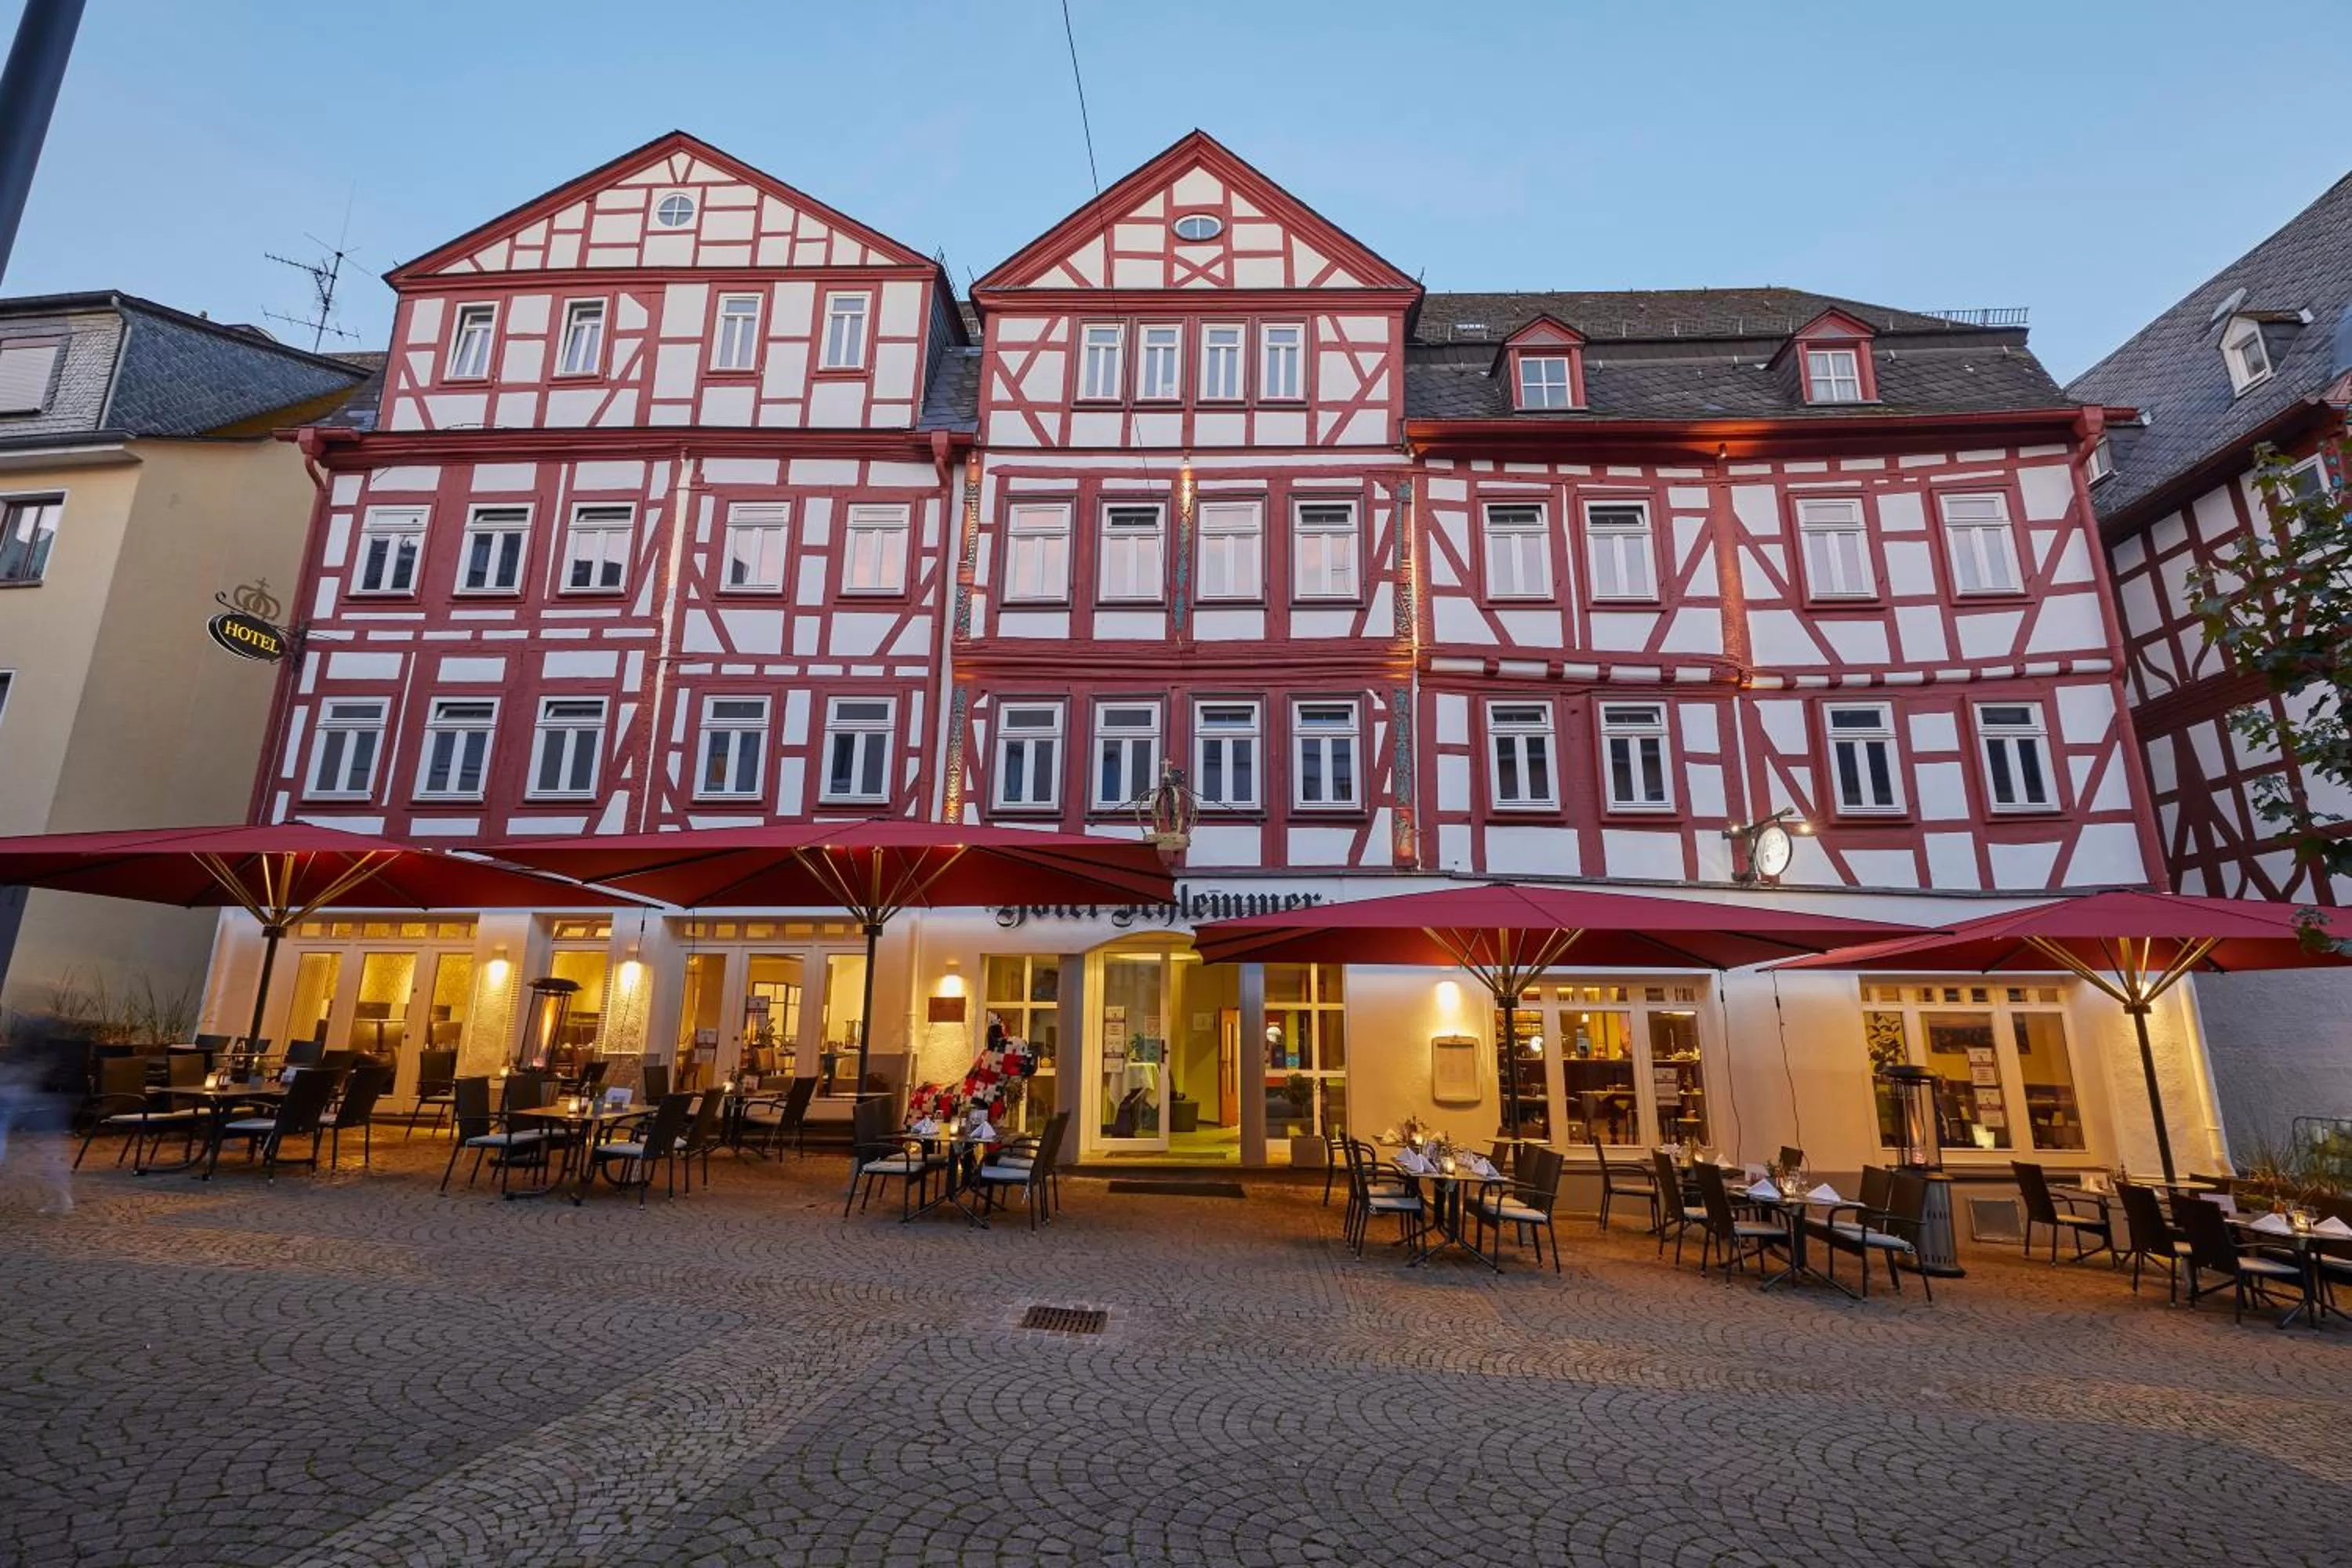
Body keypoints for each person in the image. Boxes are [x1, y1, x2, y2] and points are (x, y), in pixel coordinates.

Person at [0, 1033, 83, 1215]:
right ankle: (61, 1198)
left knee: (49, 1149)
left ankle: (61, 1198)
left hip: (26, 1097)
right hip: (48, 1100)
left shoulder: (28, 1051)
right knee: (51, 1149)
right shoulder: (57, 1050)